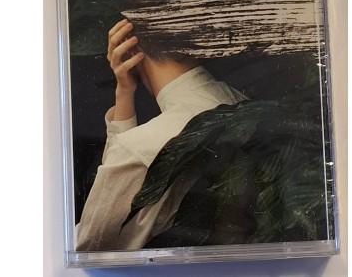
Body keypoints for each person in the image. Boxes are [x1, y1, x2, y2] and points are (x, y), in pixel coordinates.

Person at [76, 18, 248, 251]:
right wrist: (124, 92)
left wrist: (124, 90)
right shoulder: (239, 101)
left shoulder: (139, 148)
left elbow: (89, 247)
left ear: (130, 45)